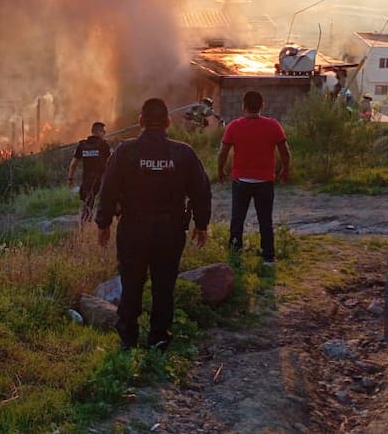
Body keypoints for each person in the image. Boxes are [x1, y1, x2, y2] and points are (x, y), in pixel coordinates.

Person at [96, 98, 211, 351]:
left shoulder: (125, 152)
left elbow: (108, 190)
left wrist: (103, 224)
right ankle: (159, 338)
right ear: (169, 122)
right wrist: (201, 225)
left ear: (140, 122)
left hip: (133, 231)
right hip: (170, 233)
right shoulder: (183, 153)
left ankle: (128, 337)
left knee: (132, 282)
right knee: (164, 285)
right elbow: (201, 191)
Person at [218, 91, 290, 265]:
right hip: (265, 182)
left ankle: (235, 253)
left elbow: (223, 152)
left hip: (241, 181)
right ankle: (268, 256)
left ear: (243, 106)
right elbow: (285, 152)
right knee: (265, 219)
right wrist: (285, 170)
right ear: (262, 105)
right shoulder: (273, 126)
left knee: (237, 218)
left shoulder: (234, 126)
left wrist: (220, 170)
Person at [68, 121, 112, 222]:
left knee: (87, 207)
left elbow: (73, 164)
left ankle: (85, 226)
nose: (104, 134)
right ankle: (102, 226)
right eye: (103, 132)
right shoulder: (103, 145)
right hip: (102, 181)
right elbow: (111, 162)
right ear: (99, 132)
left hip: (87, 181)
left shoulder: (82, 145)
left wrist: (70, 178)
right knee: (105, 205)